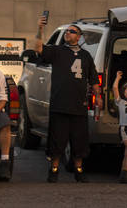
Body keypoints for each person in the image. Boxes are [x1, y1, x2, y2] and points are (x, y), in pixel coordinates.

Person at [32, 17, 99, 183]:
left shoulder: (86, 56)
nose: (68, 33)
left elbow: (94, 79)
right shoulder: (57, 51)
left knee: (79, 142)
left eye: (72, 31)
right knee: (57, 141)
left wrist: (98, 97)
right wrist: (40, 29)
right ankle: (54, 170)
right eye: (67, 31)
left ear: (79, 36)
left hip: (79, 106)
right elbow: (39, 48)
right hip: (59, 105)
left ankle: (79, 170)